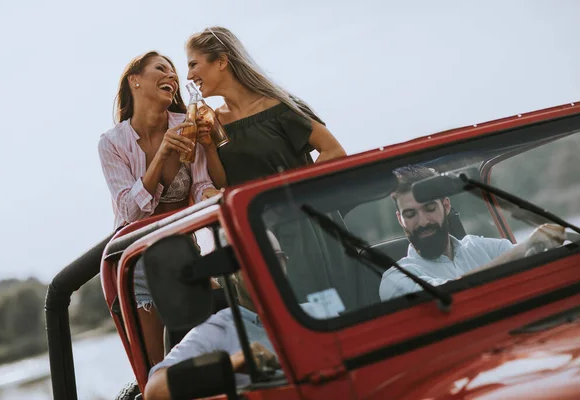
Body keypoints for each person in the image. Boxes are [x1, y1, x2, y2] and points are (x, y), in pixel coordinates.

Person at [98, 51, 219, 364]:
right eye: (161, 69)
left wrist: (216, 197)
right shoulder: (112, 143)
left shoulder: (189, 122)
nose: (172, 76)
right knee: (155, 366)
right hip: (137, 263)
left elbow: (202, 185)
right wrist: (163, 152)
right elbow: (130, 212)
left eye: (174, 72)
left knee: (206, 355)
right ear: (134, 80)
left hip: (184, 254)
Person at [143, 231, 337, 400]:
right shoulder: (219, 329)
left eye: (275, 258)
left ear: (285, 262)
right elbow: (154, 390)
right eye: (253, 260)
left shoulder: (318, 312)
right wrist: (233, 362)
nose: (268, 268)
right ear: (232, 273)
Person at [184, 26, 347, 189]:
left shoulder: (279, 107)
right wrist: (209, 147)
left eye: (193, 64)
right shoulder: (215, 121)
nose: (189, 76)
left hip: (302, 212)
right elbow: (224, 186)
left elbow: (333, 151)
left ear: (221, 61)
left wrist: (300, 193)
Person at [379, 165, 567, 301]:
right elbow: (443, 295)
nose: (422, 222)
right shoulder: (395, 279)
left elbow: (536, 255)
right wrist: (525, 247)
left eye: (429, 208)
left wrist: (547, 240)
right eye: (410, 214)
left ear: (445, 206)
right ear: (400, 219)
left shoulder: (480, 247)